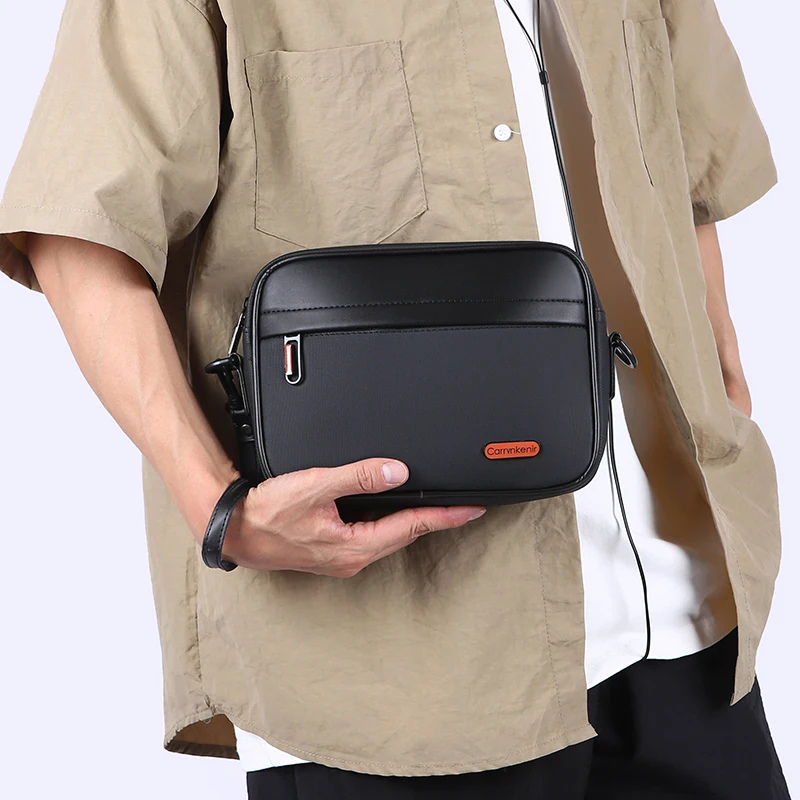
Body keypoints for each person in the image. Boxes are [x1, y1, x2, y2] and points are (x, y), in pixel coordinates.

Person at [0, 0, 789, 797]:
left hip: (688, 617)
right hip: (393, 673)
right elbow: (79, 234)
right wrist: (220, 508)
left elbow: (687, 167)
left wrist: (722, 367)